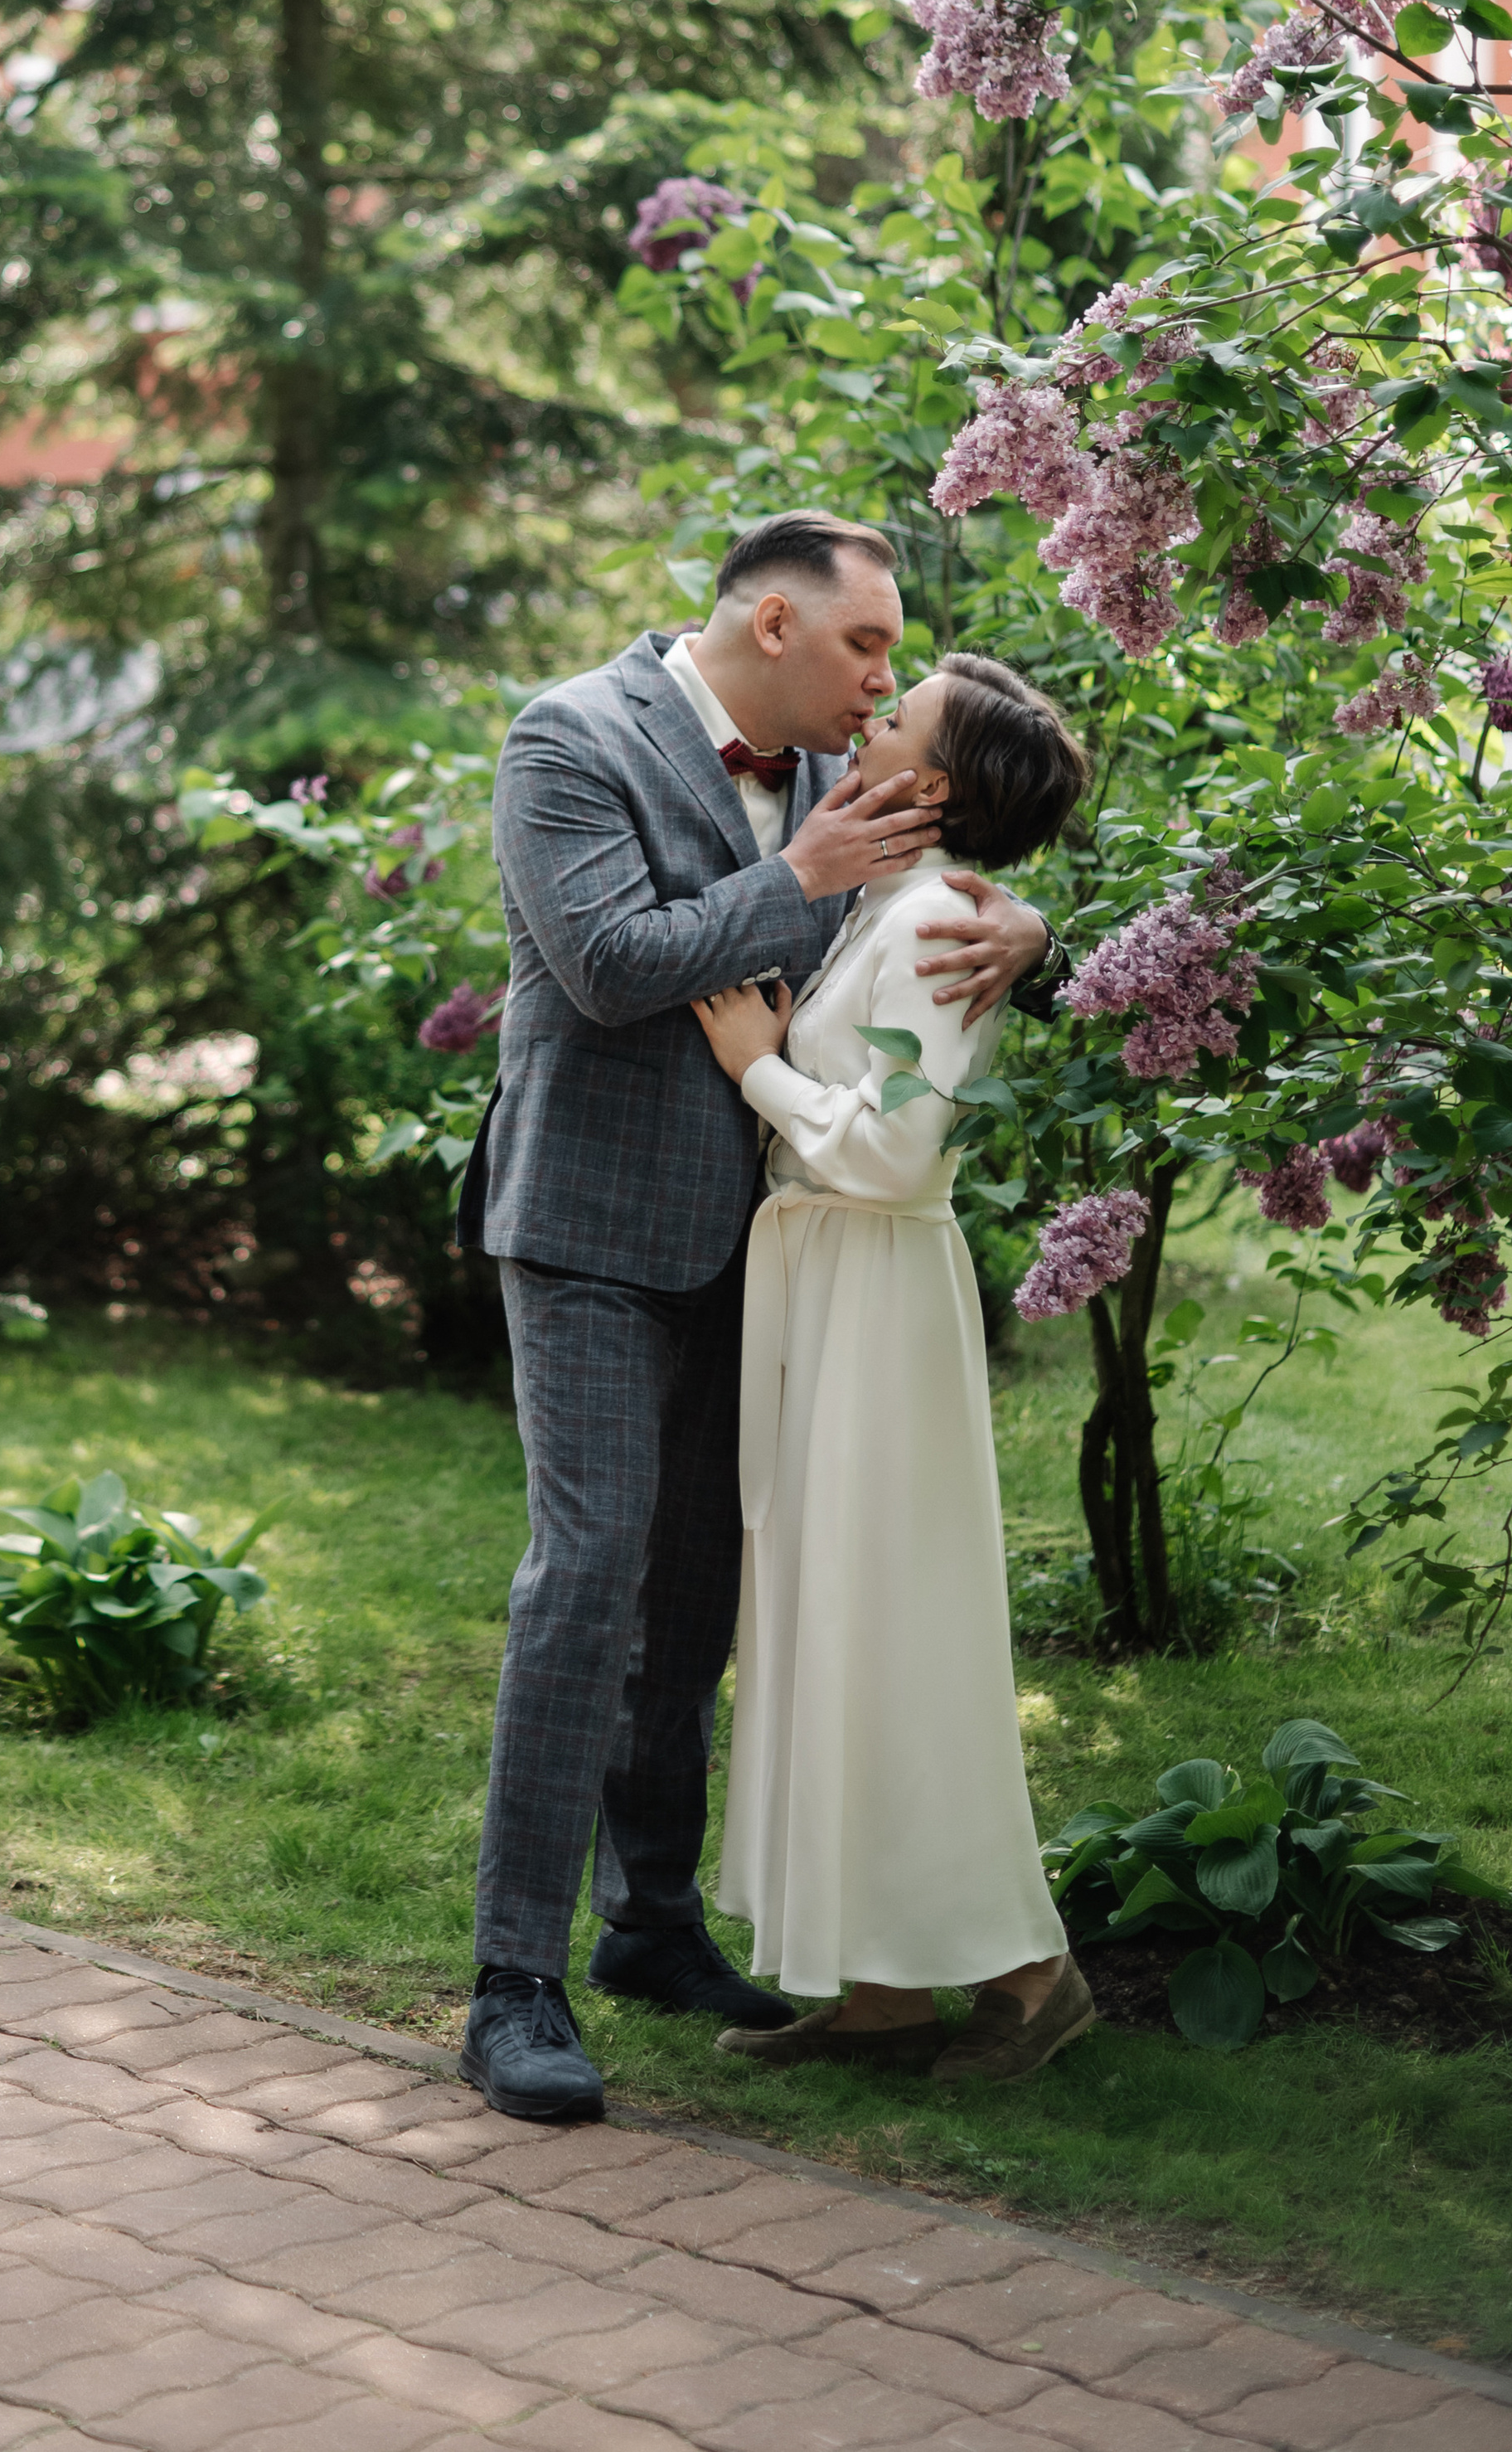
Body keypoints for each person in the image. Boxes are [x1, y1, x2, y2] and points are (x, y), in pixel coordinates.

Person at [453, 513, 1070, 2120]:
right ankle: (513, 1979)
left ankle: (651, 1924)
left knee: (698, 1598)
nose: (880, 682)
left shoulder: (837, 775)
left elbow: (930, 922)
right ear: (777, 624)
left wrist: (1036, 931)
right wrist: (792, 875)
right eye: (866, 646)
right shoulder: (568, 738)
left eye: (893, 665)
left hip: (769, 1249)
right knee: (587, 1574)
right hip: (589, 1229)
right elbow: (606, 963)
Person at [694, 652, 1098, 2086]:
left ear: (931, 781)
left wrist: (757, 1066)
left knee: (896, 1628)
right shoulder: (891, 890)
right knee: (835, 1624)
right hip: (830, 1288)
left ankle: (1031, 1975)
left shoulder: (933, 916)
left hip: (874, 1292)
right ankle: (878, 1990)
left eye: (901, 711)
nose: (871, 713)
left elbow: (895, 1150)